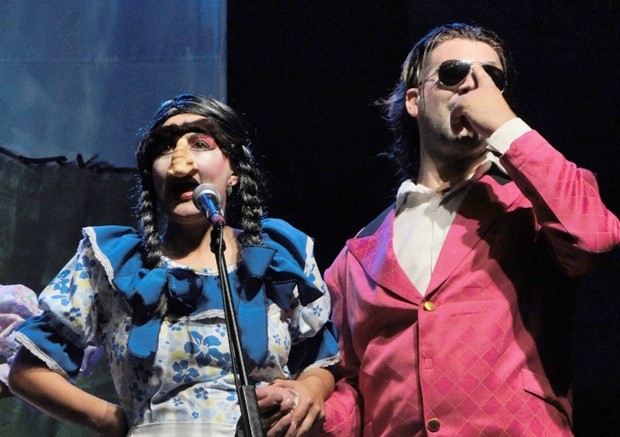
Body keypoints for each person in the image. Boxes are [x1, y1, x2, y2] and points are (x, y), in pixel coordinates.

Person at [321, 23, 620, 436]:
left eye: (491, 77)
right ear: (414, 100)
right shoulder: (358, 255)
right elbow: (356, 388)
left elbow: (594, 238)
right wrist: (307, 415)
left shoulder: (533, 204)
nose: (473, 85)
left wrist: (506, 127)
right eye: (453, 72)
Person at [8, 94, 339, 436]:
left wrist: (310, 390)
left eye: (200, 144)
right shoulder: (112, 264)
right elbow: (27, 371)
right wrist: (118, 422)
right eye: (165, 148)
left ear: (235, 172)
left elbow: (321, 360)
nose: (180, 165)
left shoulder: (278, 258)